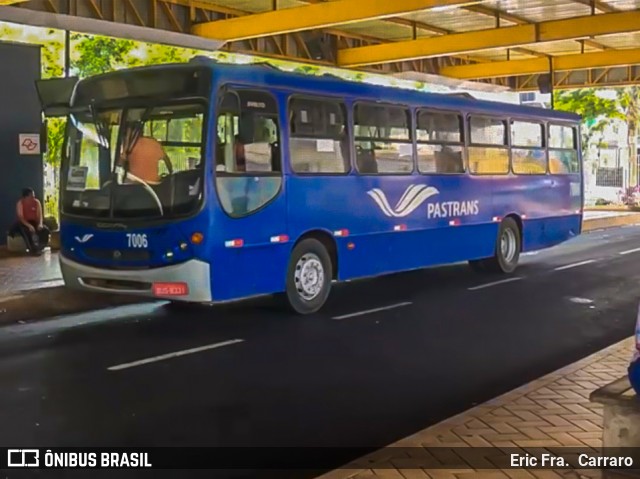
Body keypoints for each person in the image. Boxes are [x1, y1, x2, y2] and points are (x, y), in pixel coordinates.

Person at [10, 188, 50, 255]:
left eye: (33, 196)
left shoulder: (37, 202)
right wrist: (29, 226)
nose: (33, 198)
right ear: (26, 197)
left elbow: (40, 215)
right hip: (23, 223)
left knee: (45, 230)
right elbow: (21, 217)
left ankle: (40, 247)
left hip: (34, 221)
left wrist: (40, 224)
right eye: (31, 196)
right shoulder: (20, 203)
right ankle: (32, 250)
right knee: (26, 231)